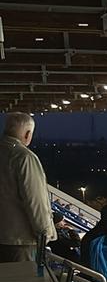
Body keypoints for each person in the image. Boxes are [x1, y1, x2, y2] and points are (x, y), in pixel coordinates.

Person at [0, 112, 56, 262]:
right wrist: (45, 233)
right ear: (27, 134)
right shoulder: (24, 157)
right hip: (19, 242)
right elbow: (35, 200)